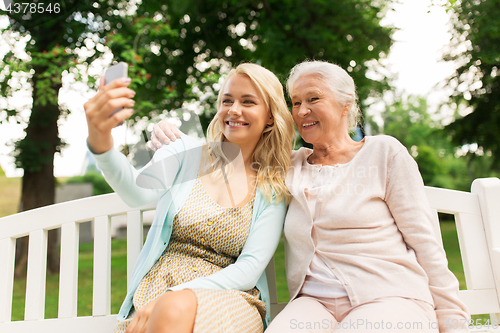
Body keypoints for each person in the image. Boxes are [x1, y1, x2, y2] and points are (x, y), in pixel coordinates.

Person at [151, 60, 470, 332]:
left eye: (313, 99)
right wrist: (172, 138)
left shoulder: (383, 153)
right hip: (313, 304)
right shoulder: (288, 165)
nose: (302, 111)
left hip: (389, 296)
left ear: (346, 104)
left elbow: (424, 239)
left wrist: (451, 313)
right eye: (295, 102)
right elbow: (232, 152)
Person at [83, 62, 295, 333]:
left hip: (230, 296)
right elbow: (136, 192)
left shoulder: (271, 186)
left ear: (269, 116)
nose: (234, 110)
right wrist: (101, 141)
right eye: (227, 100)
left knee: (173, 310)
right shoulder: (185, 152)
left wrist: (176, 295)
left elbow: (249, 269)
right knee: (171, 312)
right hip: (158, 288)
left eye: (248, 102)